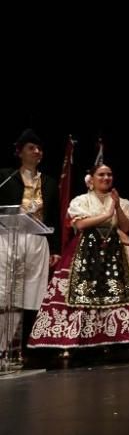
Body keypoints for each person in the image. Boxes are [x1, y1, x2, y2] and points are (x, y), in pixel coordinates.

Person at [29, 163, 129, 350]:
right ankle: (75, 339)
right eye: (101, 174)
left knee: (116, 292)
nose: (106, 178)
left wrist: (117, 207)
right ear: (91, 180)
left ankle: (116, 337)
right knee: (82, 293)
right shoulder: (81, 201)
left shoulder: (123, 202)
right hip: (86, 250)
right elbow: (80, 225)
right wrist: (106, 214)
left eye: (109, 174)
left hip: (116, 250)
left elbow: (126, 227)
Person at [0, 129, 61, 358]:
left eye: (39, 149)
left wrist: (55, 247)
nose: (37, 152)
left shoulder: (49, 182)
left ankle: (26, 347)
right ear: (19, 152)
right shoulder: (6, 176)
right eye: (31, 148)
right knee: (6, 290)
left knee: (32, 292)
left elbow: (54, 216)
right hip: (8, 239)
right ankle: (2, 345)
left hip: (37, 241)